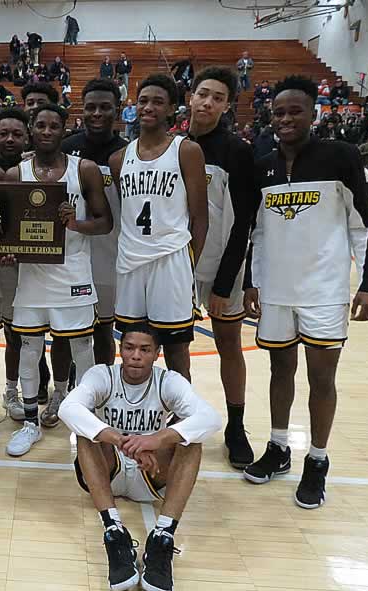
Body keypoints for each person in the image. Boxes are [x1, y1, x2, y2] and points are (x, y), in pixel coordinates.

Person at [242, 75, 368, 509]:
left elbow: (364, 225)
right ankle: (279, 447)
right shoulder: (262, 165)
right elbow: (257, 233)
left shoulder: (340, 156)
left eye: (294, 110)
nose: (285, 118)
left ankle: (317, 459)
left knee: (322, 378)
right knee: (279, 371)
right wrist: (252, 281)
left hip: (325, 289)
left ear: (313, 112)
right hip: (278, 291)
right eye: (279, 112)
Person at [58, 322, 222, 591]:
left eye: (145, 350)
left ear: (157, 353)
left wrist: (157, 439)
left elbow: (211, 419)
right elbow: (68, 408)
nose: (136, 355)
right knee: (85, 432)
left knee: (192, 441)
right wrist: (120, 440)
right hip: (109, 469)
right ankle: (113, 531)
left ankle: (163, 536)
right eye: (130, 348)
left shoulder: (168, 381)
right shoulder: (103, 375)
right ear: (120, 349)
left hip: (152, 472)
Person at [3, 103, 112, 458]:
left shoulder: (86, 169)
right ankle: (31, 422)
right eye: (40, 125)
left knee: (83, 349)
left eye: (54, 125)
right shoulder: (16, 174)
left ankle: (87, 421)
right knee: (30, 349)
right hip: (32, 278)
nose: (47, 131)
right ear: (32, 130)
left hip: (74, 275)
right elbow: (3, 228)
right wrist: (4, 249)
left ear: (65, 129)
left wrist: (75, 223)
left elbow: (105, 222)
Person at [109, 73, 208, 381]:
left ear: (171, 109)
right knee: (132, 351)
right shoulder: (118, 158)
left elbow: (200, 217)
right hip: (131, 260)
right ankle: (137, 413)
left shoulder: (187, 151)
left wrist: (190, 264)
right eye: (143, 101)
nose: (148, 107)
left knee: (178, 351)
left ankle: (182, 421)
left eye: (157, 102)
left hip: (170, 259)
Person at [188, 67, 258, 468]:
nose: (208, 102)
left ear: (227, 105)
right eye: (203, 94)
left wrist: (226, 280)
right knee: (173, 346)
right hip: (179, 265)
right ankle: (177, 419)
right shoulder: (174, 145)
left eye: (217, 97)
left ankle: (235, 426)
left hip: (220, 267)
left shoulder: (237, 151)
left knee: (228, 344)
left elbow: (244, 220)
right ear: (191, 97)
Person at [62, 78, 128, 369]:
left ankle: (102, 389)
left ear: (119, 109)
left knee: (102, 329)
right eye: (91, 107)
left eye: (105, 107)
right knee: (66, 331)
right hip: (68, 256)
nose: (97, 113)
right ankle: (65, 392)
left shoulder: (128, 153)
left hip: (108, 255)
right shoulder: (65, 148)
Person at [0, 107, 31, 427]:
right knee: (9, 333)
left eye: (17, 134)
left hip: (29, 264)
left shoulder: (35, 168)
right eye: (3, 133)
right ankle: (9, 389)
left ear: (26, 138)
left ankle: (26, 389)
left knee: (26, 333)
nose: (9, 139)